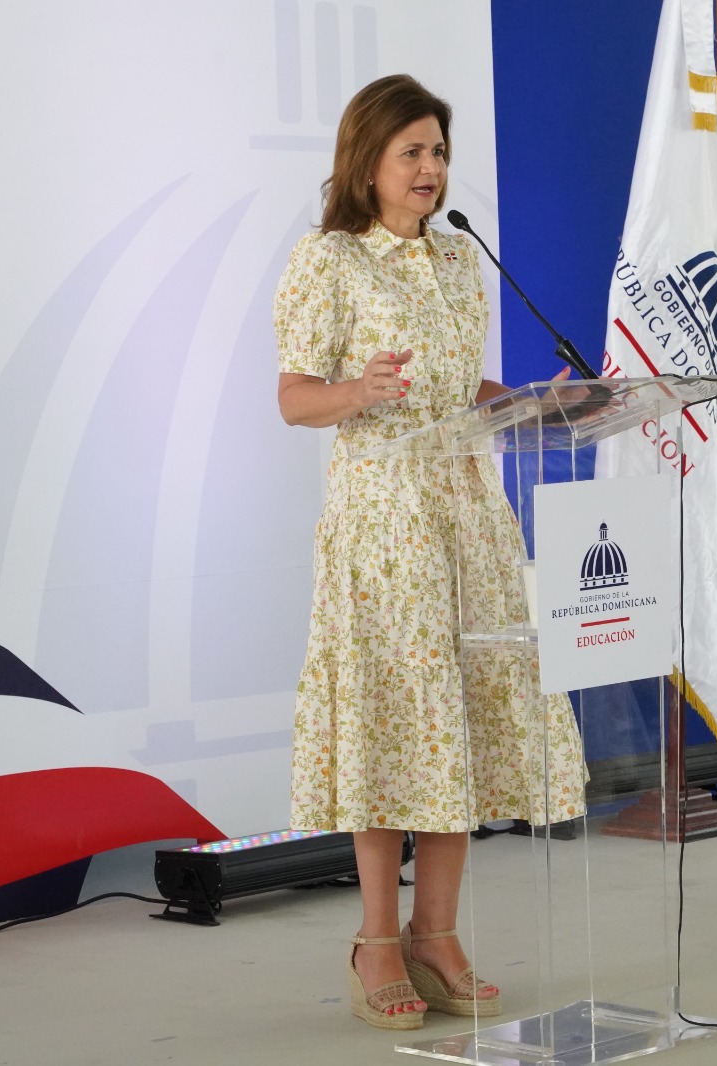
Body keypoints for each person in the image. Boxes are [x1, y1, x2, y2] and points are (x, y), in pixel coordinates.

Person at [273, 74, 588, 1030]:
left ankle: (438, 933)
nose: (429, 168)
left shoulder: (459, 262)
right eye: (411, 151)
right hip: (385, 519)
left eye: (439, 152)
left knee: (466, 715)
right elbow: (294, 397)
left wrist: (531, 399)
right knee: (395, 717)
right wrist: (357, 392)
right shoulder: (328, 261)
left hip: (468, 509)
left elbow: (458, 386)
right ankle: (377, 939)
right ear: (365, 163)